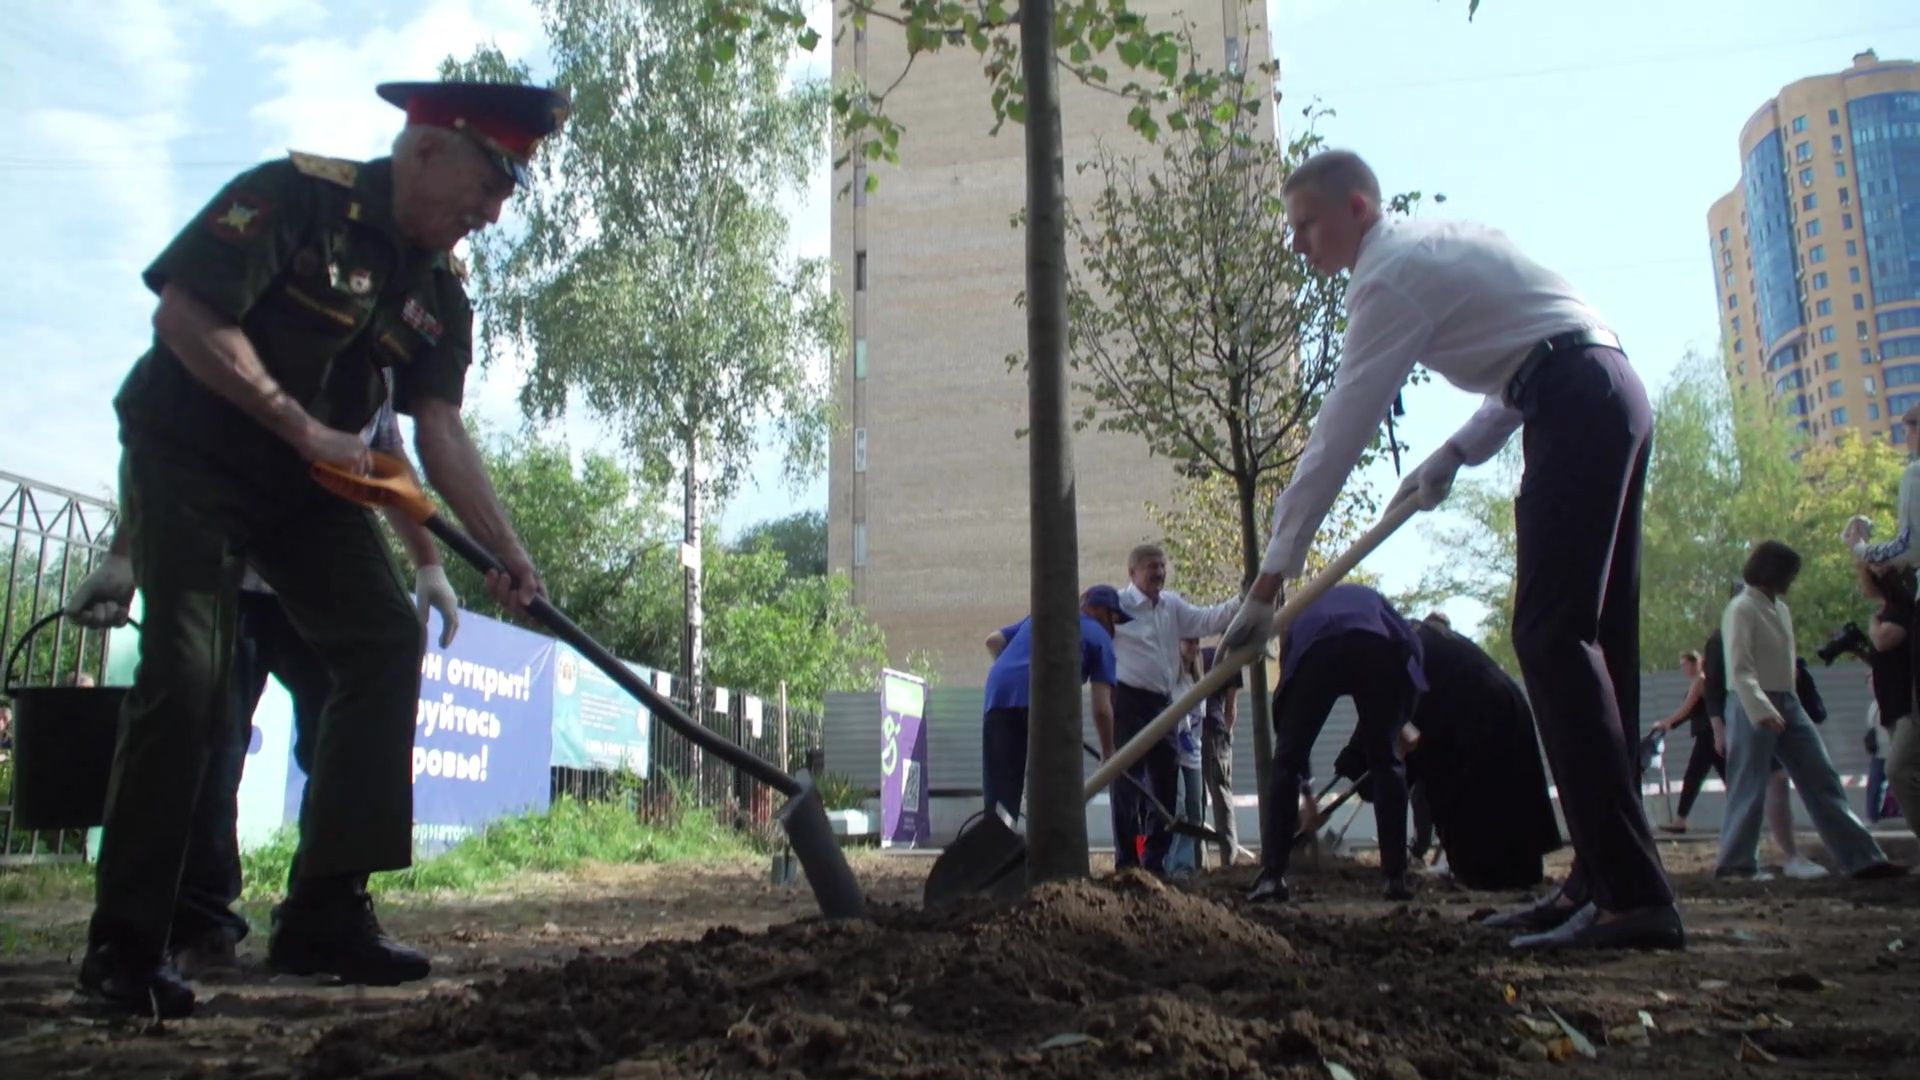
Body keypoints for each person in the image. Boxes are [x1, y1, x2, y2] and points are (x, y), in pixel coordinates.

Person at [58, 80, 566, 1018]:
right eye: (489, 183)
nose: (493, 214)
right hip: (191, 461)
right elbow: (184, 317)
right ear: (424, 151)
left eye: (506, 194)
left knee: (378, 639)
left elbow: (434, 429)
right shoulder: (298, 200)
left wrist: (503, 552)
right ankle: (128, 943)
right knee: (190, 672)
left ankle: (326, 911)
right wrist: (299, 427)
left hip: (307, 487)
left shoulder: (440, 291)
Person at [1220, 150, 1676, 949]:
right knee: (1593, 645)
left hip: (1576, 399)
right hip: (1599, 389)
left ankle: (1632, 896)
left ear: (1357, 207)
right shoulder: (1432, 246)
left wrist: (1269, 581)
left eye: (1305, 225)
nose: (1298, 245)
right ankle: (1601, 881)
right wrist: (1454, 454)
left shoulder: (1386, 274)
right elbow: (1535, 353)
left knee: (1551, 636)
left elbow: (1338, 433)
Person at [71, 383, 459, 978]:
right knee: (213, 743)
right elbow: (186, 430)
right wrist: (127, 553)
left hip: (314, 590)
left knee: (344, 725)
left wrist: (429, 564)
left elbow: (389, 466)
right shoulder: (278, 331)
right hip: (230, 579)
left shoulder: (372, 368)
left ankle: (325, 905)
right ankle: (201, 925)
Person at [1715, 542, 1903, 882]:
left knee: (1822, 776)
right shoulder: (1741, 608)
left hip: (1787, 699)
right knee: (1749, 783)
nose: (1792, 580)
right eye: (1790, 573)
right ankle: (1735, 864)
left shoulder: (1780, 609)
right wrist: (1760, 709)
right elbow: (1739, 667)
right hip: (1750, 700)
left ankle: (1862, 858)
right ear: (1773, 571)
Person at [1249, 584, 1425, 903]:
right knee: (1387, 762)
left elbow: (1285, 707)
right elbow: (1411, 652)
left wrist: (1301, 785)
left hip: (1321, 649)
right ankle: (1394, 878)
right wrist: (1400, 722)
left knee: (1286, 762)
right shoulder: (1375, 604)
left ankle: (1272, 877)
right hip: (1377, 647)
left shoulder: (1299, 619)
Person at [1403, 613, 1562, 890]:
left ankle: (1478, 873)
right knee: (1509, 791)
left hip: (1475, 717)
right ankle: (1516, 872)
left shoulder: (1409, 647)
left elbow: (1404, 717)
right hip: (1505, 704)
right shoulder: (1439, 642)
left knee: (1470, 795)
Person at [1112, 545, 1237, 876]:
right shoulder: (1118, 605)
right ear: (1133, 573)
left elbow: (1206, 619)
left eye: (1162, 566)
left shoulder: (1172, 605)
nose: (1159, 573)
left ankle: (1154, 865)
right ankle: (1126, 861)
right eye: (1152, 567)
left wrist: (1242, 602)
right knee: (1127, 783)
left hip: (1165, 706)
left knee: (1165, 788)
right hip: (1129, 702)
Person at [980, 585, 1129, 824]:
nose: (1114, 628)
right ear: (1099, 610)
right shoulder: (1100, 638)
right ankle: (1047, 850)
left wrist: (1018, 671)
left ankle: (998, 846)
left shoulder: (1041, 617)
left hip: (999, 694)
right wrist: (1108, 751)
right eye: (1115, 619)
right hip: (1046, 701)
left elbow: (993, 641)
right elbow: (1102, 708)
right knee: (1050, 787)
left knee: (1001, 788)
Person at [1859, 563, 1918, 839]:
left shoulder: (1903, 608)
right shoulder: (1891, 610)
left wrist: (1873, 623)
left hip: (1910, 707)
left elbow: (1884, 640)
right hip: (1894, 708)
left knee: (1898, 770)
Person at [1653, 652, 1716, 834]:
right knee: (1724, 777)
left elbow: (1686, 708)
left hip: (1708, 736)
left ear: (1694, 663)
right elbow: (1689, 712)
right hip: (1708, 735)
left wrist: (1668, 723)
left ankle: (1680, 821)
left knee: (1693, 777)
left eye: (1684, 665)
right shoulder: (1699, 680)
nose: (1683, 669)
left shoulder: (1700, 681)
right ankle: (1680, 820)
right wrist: (1670, 725)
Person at [1164, 638, 1208, 880]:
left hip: (1195, 757)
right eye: (1188, 642)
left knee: (1196, 814)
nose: (1194, 647)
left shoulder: (1198, 682)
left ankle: (1191, 866)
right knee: (1178, 810)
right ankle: (1178, 867)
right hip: (1174, 756)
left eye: (1196, 642)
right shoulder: (1172, 681)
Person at [1198, 643, 1245, 867]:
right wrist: (1227, 736)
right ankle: (1230, 860)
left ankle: (1199, 861)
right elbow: (1231, 710)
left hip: (1189, 729)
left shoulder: (1201, 654)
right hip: (1214, 731)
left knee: (1194, 798)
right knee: (1221, 794)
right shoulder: (1232, 660)